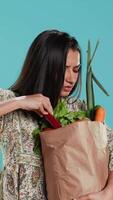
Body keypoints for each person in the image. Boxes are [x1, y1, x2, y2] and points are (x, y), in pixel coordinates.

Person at [0, 29, 113, 200]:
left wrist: (107, 193)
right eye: (64, 68)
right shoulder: (9, 102)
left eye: (76, 70)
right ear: (44, 65)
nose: (71, 78)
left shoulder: (80, 110)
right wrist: (21, 101)